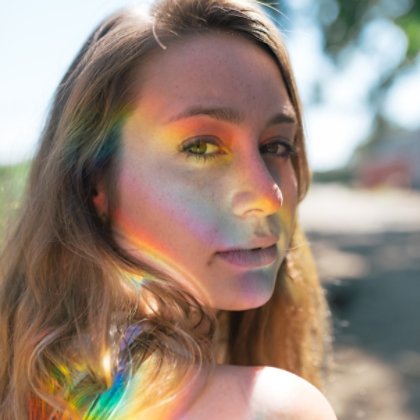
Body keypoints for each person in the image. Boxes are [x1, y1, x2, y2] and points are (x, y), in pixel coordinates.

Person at [0, 0, 336, 418]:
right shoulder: (270, 406)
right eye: (201, 147)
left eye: (277, 146)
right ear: (95, 181)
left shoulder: (27, 379)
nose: (269, 194)